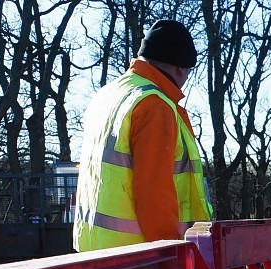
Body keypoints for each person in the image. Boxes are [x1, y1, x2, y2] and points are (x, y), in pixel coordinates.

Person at [72, 20, 213, 252]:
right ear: (181, 68)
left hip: (94, 253)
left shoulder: (108, 95)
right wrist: (173, 256)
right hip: (137, 259)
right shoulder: (154, 105)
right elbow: (154, 195)